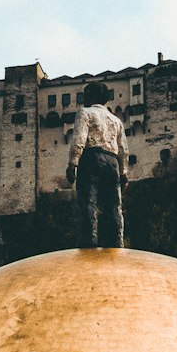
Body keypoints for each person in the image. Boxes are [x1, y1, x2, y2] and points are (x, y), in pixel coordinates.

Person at [66, 80, 129, 248]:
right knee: (113, 204)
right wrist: (124, 172)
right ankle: (115, 241)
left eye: (85, 94)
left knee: (87, 201)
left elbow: (79, 139)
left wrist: (73, 163)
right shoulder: (116, 120)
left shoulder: (85, 113)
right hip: (112, 161)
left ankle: (88, 242)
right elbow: (123, 148)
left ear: (90, 96)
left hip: (91, 158)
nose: (83, 98)